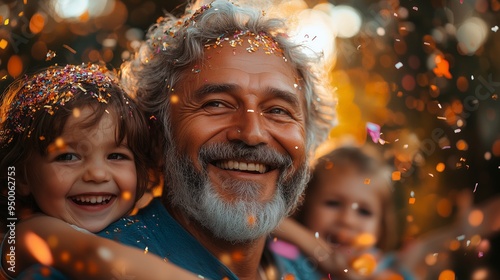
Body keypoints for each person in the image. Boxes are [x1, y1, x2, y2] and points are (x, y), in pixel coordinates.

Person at [95, 0, 336, 279]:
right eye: (217, 104)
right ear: (157, 136)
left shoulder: (309, 274)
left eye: (278, 111)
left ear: (309, 142)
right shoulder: (87, 267)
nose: (252, 133)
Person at [0, 63, 201, 279]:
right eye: (67, 157)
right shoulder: (29, 232)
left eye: (116, 156)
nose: (97, 174)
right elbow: (97, 257)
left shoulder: (142, 229)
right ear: (21, 177)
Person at [272, 145, 409, 279]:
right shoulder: (285, 256)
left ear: (381, 227)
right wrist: (315, 248)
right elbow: (256, 222)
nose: (347, 220)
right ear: (304, 205)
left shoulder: (388, 269)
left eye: (364, 212)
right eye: (333, 203)